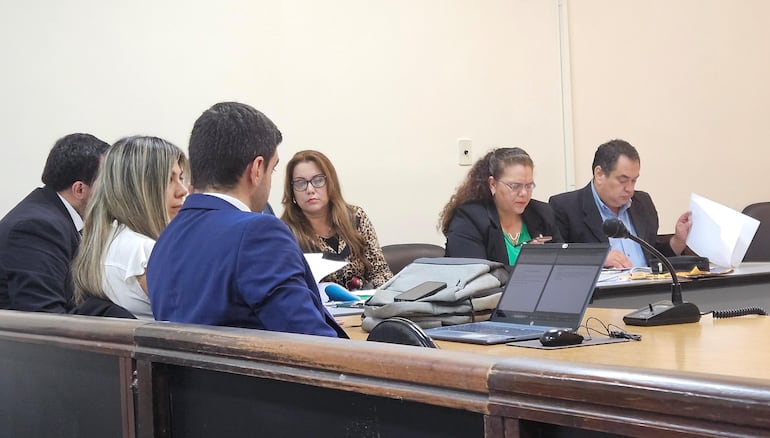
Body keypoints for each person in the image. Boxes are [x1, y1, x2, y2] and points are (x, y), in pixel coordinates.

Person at [147, 102, 346, 338]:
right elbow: (316, 346)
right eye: (272, 170)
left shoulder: (165, 240)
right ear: (257, 169)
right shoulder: (258, 233)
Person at [71, 136, 188, 320]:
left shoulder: (106, 241)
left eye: (180, 177)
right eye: (169, 180)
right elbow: (196, 320)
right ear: (137, 187)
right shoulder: (142, 251)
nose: (182, 190)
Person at [0, 133, 109, 312]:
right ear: (80, 189)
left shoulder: (55, 216)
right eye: (108, 183)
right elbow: (44, 317)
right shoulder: (36, 227)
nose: (114, 192)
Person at [548, 139, 692, 268]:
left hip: (649, 292)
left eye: (634, 180)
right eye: (623, 180)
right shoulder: (565, 207)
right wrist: (597, 259)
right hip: (603, 296)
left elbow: (653, 256)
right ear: (599, 174)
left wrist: (677, 241)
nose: (630, 188)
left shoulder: (642, 203)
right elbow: (558, 261)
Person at [281, 150, 392, 289]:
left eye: (318, 180)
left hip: (364, 306)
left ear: (331, 183)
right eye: (300, 183)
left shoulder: (355, 217)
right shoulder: (285, 231)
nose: (310, 189)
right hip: (316, 309)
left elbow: (381, 273)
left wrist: (369, 296)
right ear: (292, 190)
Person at [439, 147, 562, 265]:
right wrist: (527, 265)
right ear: (493, 184)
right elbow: (478, 275)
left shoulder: (542, 213)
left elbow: (563, 263)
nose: (524, 193)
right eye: (515, 186)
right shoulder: (469, 219)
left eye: (529, 185)